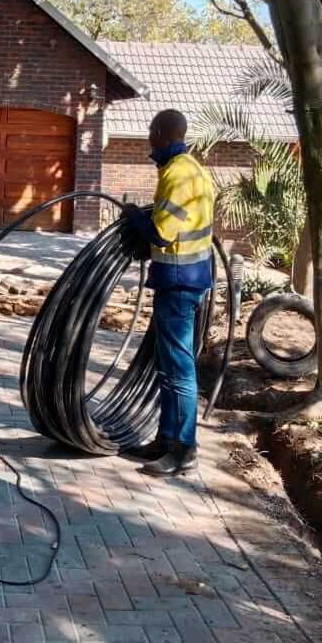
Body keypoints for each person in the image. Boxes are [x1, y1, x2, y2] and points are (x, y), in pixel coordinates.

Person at [125, 109, 216, 475]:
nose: (149, 138)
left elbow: (162, 234)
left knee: (178, 368)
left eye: (151, 131)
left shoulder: (178, 174)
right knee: (167, 366)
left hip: (179, 282)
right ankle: (165, 440)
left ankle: (184, 449)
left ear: (162, 133)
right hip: (184, 279)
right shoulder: (193, 169)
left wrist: (134, 216)